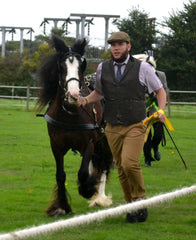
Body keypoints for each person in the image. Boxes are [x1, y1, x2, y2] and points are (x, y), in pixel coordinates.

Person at [77, 31, 166, 223]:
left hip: (136, 124)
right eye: (113, 45)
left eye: (120, 44)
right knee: (122, 169)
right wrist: (85, 100)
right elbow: (99, 93)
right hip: (112, 127)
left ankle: (140, 202)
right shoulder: (103, 68)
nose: (116, 48)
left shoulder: (143, 68)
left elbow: (159, 90)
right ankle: (130, 206)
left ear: (128, 46)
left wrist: (161, 110)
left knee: (129, 163)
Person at [134, 54, 168, 167]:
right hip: (143, 110)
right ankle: (148, 159)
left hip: (156, 109)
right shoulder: (137, 76)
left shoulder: (161, 75)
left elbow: (164, 91)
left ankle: (155, 146)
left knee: (158, 134)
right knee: (146, 136)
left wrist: (160, 104)